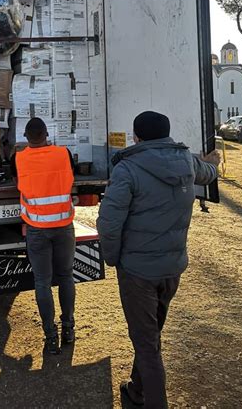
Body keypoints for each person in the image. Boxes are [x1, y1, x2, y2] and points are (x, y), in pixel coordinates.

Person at [96, 111, 220, 409]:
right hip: (172, 269)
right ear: (166, 134)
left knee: (147, 345)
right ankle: (137, 390)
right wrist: (214, 162)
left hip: (138, 273)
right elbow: (208, 173)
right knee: (150, 336)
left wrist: (113, 259)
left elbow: (109, 225)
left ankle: (150, 400)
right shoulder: (187, 162)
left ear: (136, 137)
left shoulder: (128, 170)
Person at [11, 117, 76, 355]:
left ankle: (50, 336)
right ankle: (69, 327)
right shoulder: (63, 153)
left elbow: (17, 182)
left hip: (37, 228)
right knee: (66, 277)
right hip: (64, 226)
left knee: (42, 282)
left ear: (26, 137)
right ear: (47, 134)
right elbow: (72, 176)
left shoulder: (18, 158)